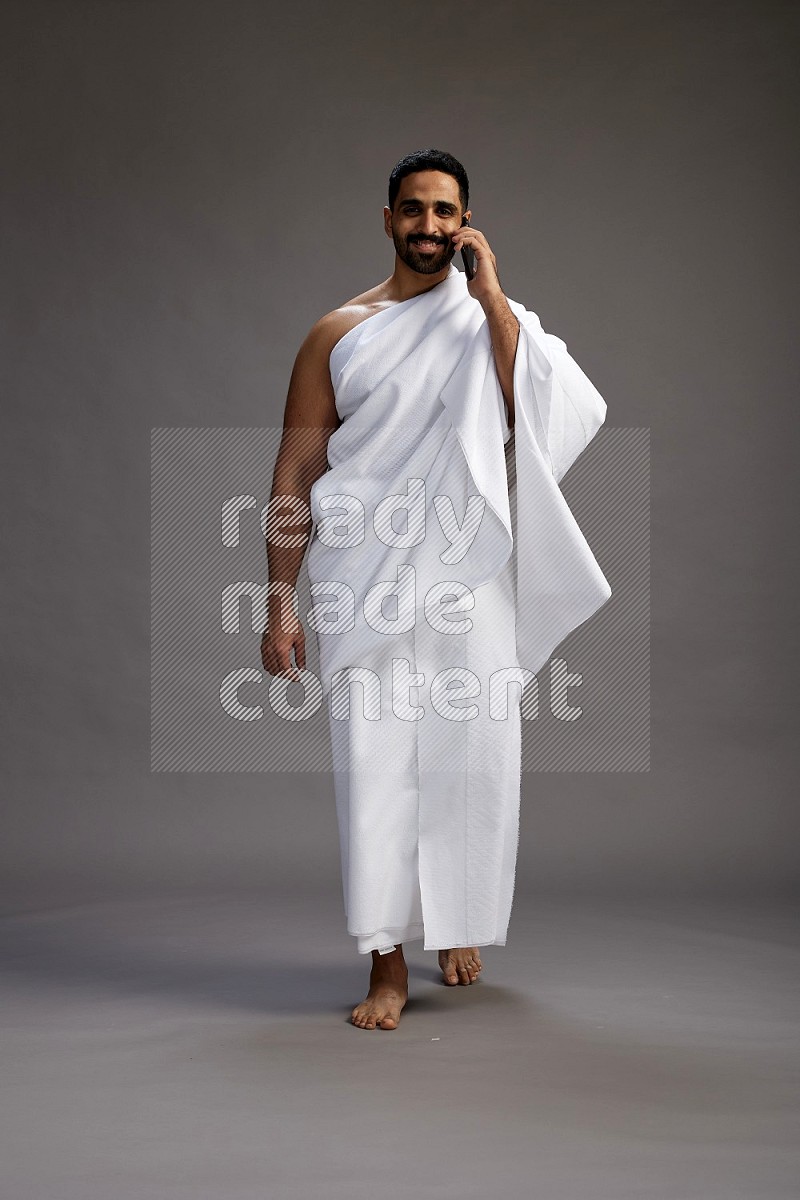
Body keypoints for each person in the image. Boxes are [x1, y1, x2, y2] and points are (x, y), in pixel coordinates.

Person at [261, 148, 611, 1030]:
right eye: (412, 211)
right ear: (387, 219)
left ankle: (456, 923)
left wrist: (490, 294)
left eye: (445, 212)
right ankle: (386, 960)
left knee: (471, 755)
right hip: (361, 575)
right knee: (374, 766)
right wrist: (278, 601)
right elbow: (297, 471)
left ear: (467, 222)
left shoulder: (493, 320)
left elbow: (542, 411)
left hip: (468, 575)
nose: (428, 227)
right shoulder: (338, 332)